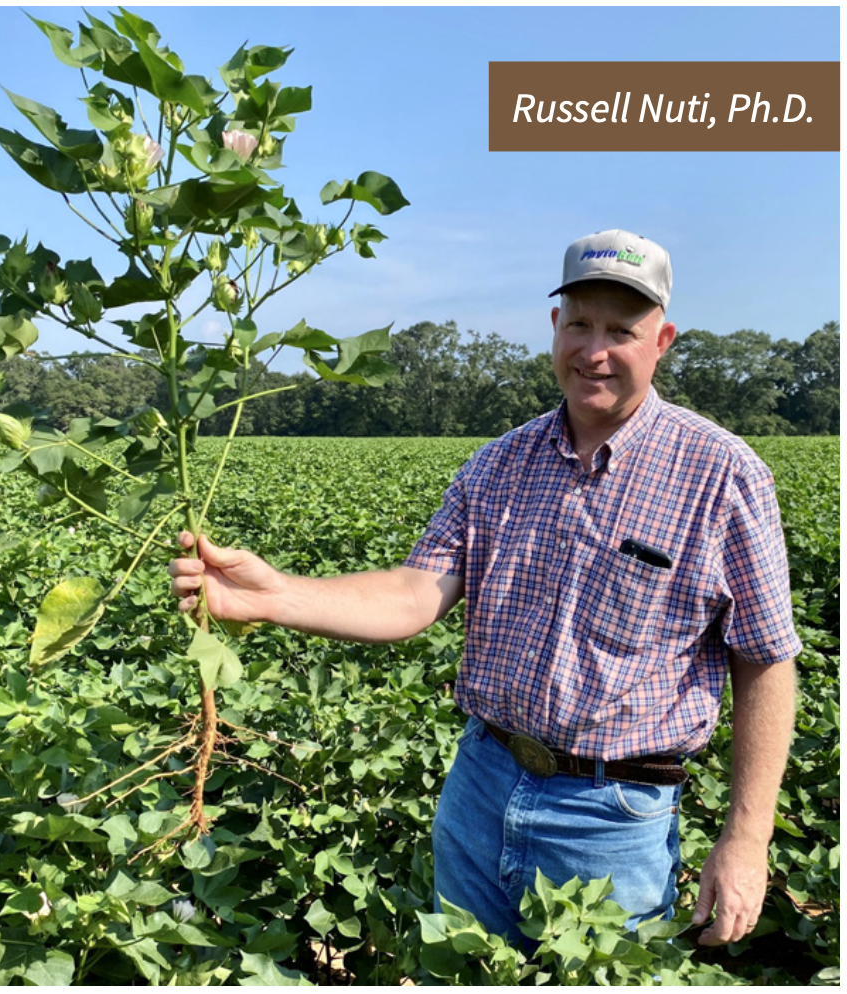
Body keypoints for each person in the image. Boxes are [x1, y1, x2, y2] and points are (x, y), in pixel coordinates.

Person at [169, 229, 800, 948]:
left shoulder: (722, 475)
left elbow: (767, 659)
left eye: (622, 330)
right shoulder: (499, 464)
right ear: (555, 326)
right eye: (581, 324)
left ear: (663, 341)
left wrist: (748, 838)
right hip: (481, 783)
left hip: (613, 817)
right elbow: (413, 594)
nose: (596, 351)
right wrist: (274, 596)